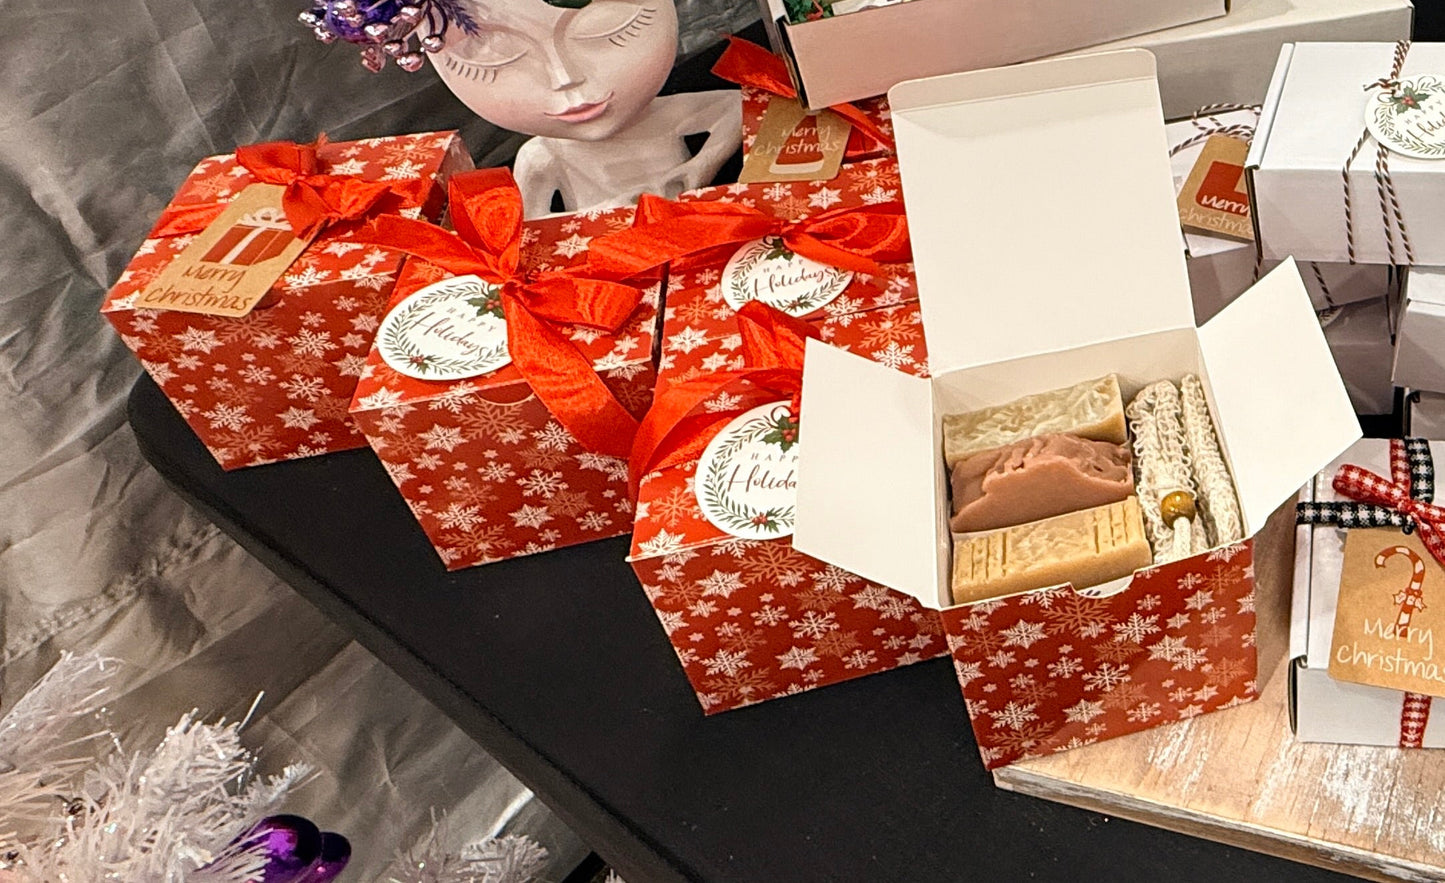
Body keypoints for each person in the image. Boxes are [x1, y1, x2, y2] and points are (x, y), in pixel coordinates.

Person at [303, 0, 741, 218]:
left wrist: (698, 170)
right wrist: (593, 224)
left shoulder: (666, 117)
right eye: (499, 59)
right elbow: (531, 234)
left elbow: (733, 109)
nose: (563, 78)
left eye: (613, 32)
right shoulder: (542, 156)